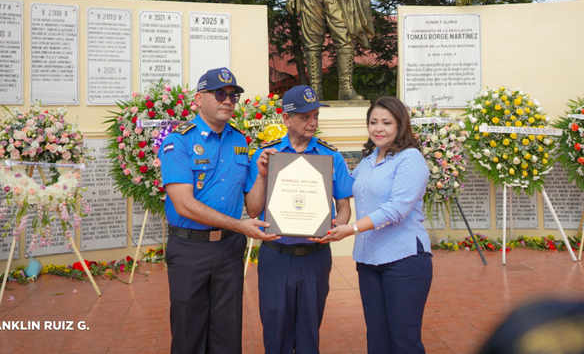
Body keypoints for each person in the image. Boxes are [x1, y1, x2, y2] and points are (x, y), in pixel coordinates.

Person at [158, 67, 278, 354]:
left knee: (227, 333)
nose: (228, 101)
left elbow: (252, 206)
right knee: (189, 333)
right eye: (220, 94)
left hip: (228, 249)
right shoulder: (179, 141)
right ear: (199, 99)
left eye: (233, 96)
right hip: (190, 248)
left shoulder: (240, 141)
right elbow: (184, 204)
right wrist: (241, 226)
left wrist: (261, 174)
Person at [247, 85, 354, 354]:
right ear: (286, 118)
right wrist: (262, 175)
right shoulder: (267, 155)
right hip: (276, 254)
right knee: (275, 330)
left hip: (315, 255)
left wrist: (338, 224)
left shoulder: (332, 156)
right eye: (305, 117)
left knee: (309, 332)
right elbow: (252, 210)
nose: (313, 122)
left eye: (316, 115)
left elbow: (343, 206)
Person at [323, 96, 432, 354]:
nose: (378, 129)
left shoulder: (410, 159)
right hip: (370, 260)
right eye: (373, 122)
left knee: (404, 340)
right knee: (377, 339)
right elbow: (347, 187)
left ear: (400, 125)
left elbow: (396, 209)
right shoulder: (371, 157)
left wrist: (351, 229)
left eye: (386, 122)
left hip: (404, 260)